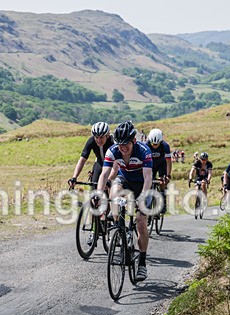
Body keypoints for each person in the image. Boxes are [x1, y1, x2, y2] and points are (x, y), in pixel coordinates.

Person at [96, 121, 153, 282]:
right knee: (114, 191)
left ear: (133, 141)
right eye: (120, 145)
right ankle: (119, 228)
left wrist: (143, 196)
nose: (123, 148)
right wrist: (99, 193)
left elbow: (148, 177)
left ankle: (142, 263)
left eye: (126, 144)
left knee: (141, 221)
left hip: (142, 184)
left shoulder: (144, 151)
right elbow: (104, 175)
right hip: (125, 179)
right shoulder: (113, 151)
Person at [68, 122, 113, 187]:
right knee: (94, 188)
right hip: (99, 163)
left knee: (112, 186)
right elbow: (82, 160)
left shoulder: (113, 142)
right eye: (96, 137)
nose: (98, 140)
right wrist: (74, 177)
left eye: (101, 137)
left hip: (113, 165)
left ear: (107, 135)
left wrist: (109, 179)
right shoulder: (91, 141)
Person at [147, 129, 172, 213]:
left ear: (160, 142)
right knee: (148, 182)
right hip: (150, 165)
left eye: (156, 144)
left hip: (162, 164)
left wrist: (168, 175)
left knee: (162, 181)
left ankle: (163, 202)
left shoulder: (165, 146)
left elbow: (168, 161)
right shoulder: (146, 145)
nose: (154, 146)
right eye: (153, 144)